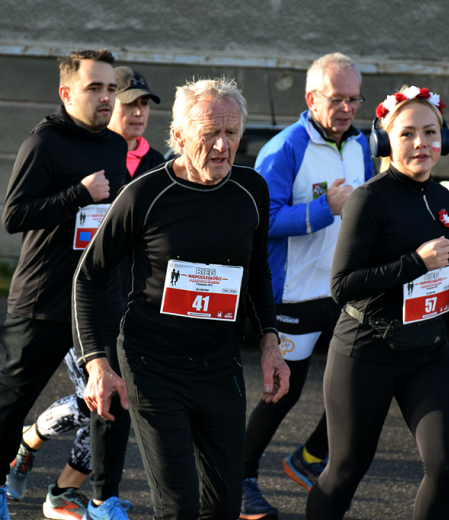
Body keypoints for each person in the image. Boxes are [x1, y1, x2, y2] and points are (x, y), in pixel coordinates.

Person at [73, 77, 291, 520]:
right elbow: (88, 277)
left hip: (219, 364)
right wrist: (96, 362)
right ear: (177, 136)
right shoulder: (145, 195)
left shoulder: (252, 190)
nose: (221, 145)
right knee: (179, 507)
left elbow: (258, 271)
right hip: (154, 366)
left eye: (231, 133)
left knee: (223, 507)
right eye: (208, 132)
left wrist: (271, 342)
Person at [306, 86, 449, 520]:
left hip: (427, 350)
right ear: (385, 142)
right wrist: (415, 263)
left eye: (430, 132)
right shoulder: (369, 198)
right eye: (407, 134)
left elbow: (426, 273)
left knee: (447, 468)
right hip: (366, 350)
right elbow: (342, 285)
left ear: (445, 139)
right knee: (346, 468)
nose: (421, 143)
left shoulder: (441, 196)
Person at [0, 49, 131, 520]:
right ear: (66, 93)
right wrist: (79, 193)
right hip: (45, 297)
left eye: (110, 88)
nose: (106, 97)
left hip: (100, 299)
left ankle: (103, 500)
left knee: (111, 397)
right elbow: (15, 215)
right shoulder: (43, 143)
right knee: (13, 395)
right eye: (94, 87)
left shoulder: (116, 146)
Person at [3, 65, 165, 520]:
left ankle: (50, 469)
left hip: (133, 302)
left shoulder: (159, 166)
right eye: (127, 102)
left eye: (142, 104)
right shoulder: (81, 158)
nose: (135, 113)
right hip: (69, 300)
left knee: (112, 402)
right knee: (105, 398)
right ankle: (64, 485)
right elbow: (24, 216)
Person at [240, 52, 373, 519]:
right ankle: (241, 475)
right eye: (338, 99)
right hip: (293, 295)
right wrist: (325, 208)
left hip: (343, 292)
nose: (347, 109)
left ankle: (310, 459)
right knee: (285, 391)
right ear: (312, 97)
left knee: (362, 379)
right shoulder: (285, 147)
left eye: (355, 100)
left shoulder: (360, 146)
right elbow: (259, 220)